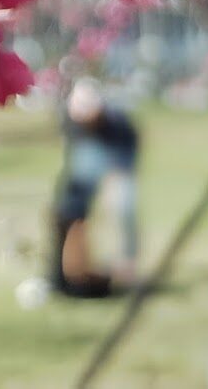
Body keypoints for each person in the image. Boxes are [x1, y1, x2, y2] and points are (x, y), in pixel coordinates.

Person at [50, 78, 140, 298]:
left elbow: (123, 162)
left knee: (124, 205)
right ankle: (66, 277)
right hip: (79, 188)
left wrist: (114, 182)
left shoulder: (117, 124)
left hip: (115, 165)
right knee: (68, 214)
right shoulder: (75, 125)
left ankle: (125, 263)